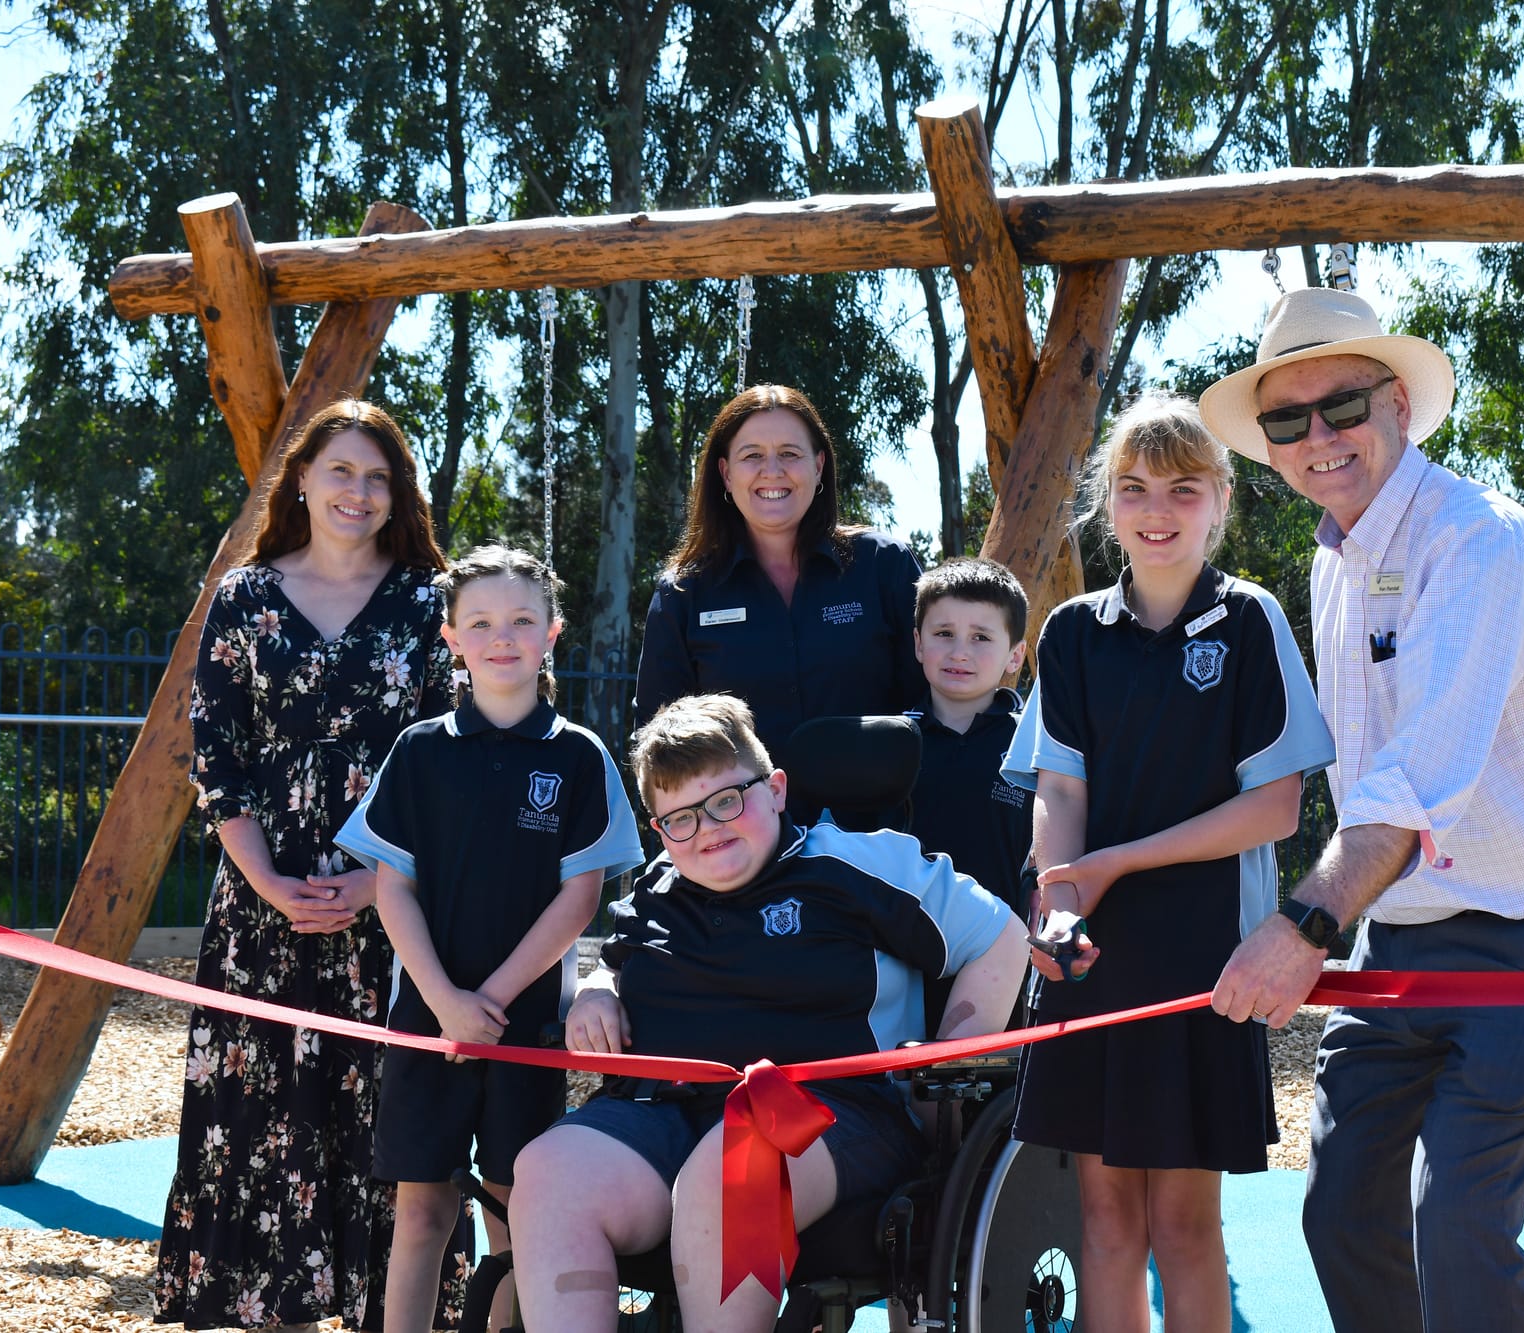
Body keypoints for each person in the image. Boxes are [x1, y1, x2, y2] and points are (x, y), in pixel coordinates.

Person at [1199, 287, 1524, 1333]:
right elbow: (1362, 781)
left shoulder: (1479, 544)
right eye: (1285, 419)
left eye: (1342, 406)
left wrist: (1301, 925)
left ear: (1397, 403)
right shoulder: (1331, 559)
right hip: (1404, 940)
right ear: (1266, 445)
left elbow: (1408, 791)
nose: (1317, 437)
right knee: (1339, 1211)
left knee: (1453, 1221)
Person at [508, 693, 1027, 1333]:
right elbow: (619, 960)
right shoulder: (655, 890)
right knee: (547, 1173)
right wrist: (597, 991)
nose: (710, 828)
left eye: (728, 801)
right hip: (666, 1109)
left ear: (776, 790)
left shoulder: (857, 864)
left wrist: (950, 1062)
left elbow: (1001, 934)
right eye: (682, 819)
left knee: (737, 1165)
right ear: (660, 833)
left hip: (830, 1117)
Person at [1001, 395, 1335, 1333]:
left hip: (1204, 970)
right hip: (1091, 966)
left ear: (1220, 500)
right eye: (1136, 487)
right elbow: (1058, 791)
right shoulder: (1070, 632)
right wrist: (1058, 903)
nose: (1159, 508)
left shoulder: (1249, 618)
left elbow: (1274, 806)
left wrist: (1114, 864)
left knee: (1187, 1226)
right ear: (1108, 504)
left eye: (1184, 488)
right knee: (1105, 1222)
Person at [155, 399, 461, 1332]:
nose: (358, 492)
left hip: (398, 905)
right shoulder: (244, 597)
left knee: (386, 1118)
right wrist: (266, 882)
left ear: (398, 493)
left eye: (378, 477)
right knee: (261, 1108)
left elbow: (462, 758)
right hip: (264, 908)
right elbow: (216, 755)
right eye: (340, 471)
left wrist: (380, 883)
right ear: (300, 479)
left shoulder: (432, 602)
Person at [334, 545, 646, 1333]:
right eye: (480, 621)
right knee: (422, 1212)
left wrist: (491, 1002)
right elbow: (390, 884)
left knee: (518, 1209)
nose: (500, 636)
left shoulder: (579, 755)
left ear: (552, 632)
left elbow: (582, 898)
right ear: (450, 637)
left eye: (520, 619)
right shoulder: (419, 749)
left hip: (525, 1027)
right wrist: (444, 1002)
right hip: (427, 1027)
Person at [633, 385, 927, 777]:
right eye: (752, 455)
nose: (772, 471)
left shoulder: (883, 566)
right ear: (725, 473)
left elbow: (934, 701)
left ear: (819, 466)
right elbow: (658, 743)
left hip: (878, 831)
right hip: (742, 832)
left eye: (790, 454)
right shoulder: (684, 594)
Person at [906, 557, 1036, 1028]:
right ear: (918, 644)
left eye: (981, 637)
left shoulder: (1035, 748)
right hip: (904, 964)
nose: (960, 651)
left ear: (1015, 656)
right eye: (944, 634)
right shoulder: (888, 746)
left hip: (1009, 971)